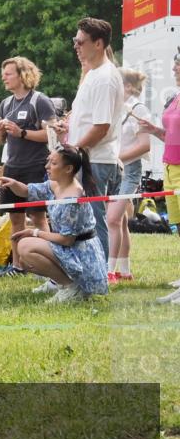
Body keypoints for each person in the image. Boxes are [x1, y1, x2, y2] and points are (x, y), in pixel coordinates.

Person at [0, 146, 109, 303]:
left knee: (25, 247)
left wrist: (34, 233)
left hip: (80, 253)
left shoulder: (72, 198)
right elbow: (27, 191)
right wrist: (14, 183)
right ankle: (61, 283)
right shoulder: (54, 185)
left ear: (68, 169)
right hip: (71, 247)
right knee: (24, 255)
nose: (47, 166)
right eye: (48, 161)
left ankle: (72, 287)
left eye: (53, 163)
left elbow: (66, 240)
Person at [62, 17, 125, 263]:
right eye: (74, 41)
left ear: (98, 44)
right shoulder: (92, 74)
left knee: (93, 222)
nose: (76, 46)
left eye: (81, 42)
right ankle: (79, 274)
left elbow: (101, 127)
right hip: (87, 158)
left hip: (95, 160)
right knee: (78, 221)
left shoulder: (105, 77)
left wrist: (74, 149)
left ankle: (98, 275)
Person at [0, 56, 58, 274]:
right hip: (13, 167)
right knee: (15, 218)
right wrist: (1, 131)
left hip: (36, 166)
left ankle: (49, 261)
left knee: (38, 217)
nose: (4, 78)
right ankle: (17, 265)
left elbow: (51, 135)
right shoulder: (5, 103)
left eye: (8, 74)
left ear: (23, 75)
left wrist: (22, 132)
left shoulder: (39, 100)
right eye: (3, 74)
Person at [139, 51, 180, 304]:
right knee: (178, 228)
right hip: (169, 167)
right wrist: (154, 130)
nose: (174, 69)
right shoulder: (176, 97)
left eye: (178, 65)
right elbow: (171, 136)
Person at [107, 68, 152, 283]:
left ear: (127, 86)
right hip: (117, 171)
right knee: (121, 222)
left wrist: (118, 157)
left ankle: (109, 270)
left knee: (112, 219)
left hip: (129, 171)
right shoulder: (118, 109)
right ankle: (124, 271)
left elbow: (144, 146)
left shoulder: (139, 109)